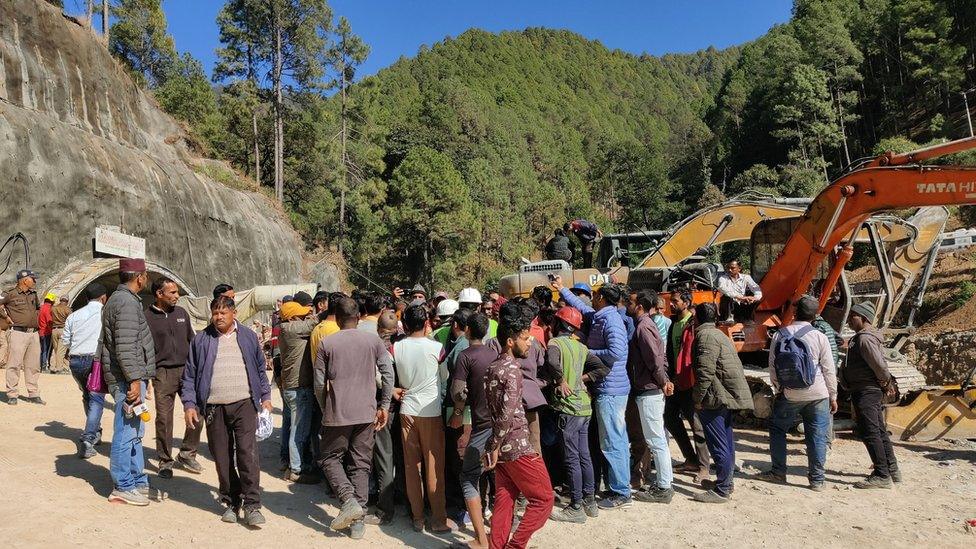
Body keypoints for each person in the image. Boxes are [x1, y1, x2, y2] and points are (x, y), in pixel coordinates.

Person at [181, 295, 272, 525]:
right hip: (214, 407)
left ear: (234, 314)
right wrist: (190, 405)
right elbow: (189, 375)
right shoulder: (201, 340)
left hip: (244, 404)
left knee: (247, 454)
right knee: (221, 457)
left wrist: (266, 397)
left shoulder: (249, 337)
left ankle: (252, 505)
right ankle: (231, 501)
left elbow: (261, 370)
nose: (218, 317)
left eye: (223, 312)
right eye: (215, 313)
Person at [313, 297, 394, 539]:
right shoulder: (373, 340)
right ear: (358, 317)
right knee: (360, 463)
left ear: (337, 319)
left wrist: (324, 405)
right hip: (366, 411)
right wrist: (385, 405)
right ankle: (357, 521)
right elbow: (387, 372)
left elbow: (319, 383)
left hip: (338, 411)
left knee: (328, 457)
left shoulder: (327, 343)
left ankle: (348, 500)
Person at [553, 276, 631, 509]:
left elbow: (616, 351)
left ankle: (621, 492)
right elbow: (582, 308)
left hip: (611, 389)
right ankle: (618, 486)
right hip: (609, 388)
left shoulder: (612, 322)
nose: (592, 300)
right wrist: (562, 289)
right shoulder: (601, 316)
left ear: (603, 298)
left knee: (612, 440)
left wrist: (585, 351)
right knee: (613, 438)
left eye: (596, 296)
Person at [484, 304, 554, 549]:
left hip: (503, 450)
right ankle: (516, 546)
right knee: (544, 500)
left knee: (504, 502)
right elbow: (507, 412)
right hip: (516, 446)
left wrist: (494, 444)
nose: (530, 342)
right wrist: (495, 444)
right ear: (511, 341)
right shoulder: (513, 370)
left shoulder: (493, 367)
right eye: (525, 338)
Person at [759, 295, 837, 491]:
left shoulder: (780, 334)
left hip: (790, 393)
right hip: (818, 393)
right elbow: (828, 368)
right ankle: (817, 480)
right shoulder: (819, 336)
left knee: (778, 430)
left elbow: (773, 366)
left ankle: (778, 472)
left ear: (794, 312)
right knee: (817, 436)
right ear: (816, 315)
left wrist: (779, 389)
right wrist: (833, 395)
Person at [393, 305, 456, 533]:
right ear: (427, 322)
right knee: (434, 467)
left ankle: (417, 518)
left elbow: (380, 373)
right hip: (430, 411)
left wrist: (391, 389)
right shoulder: (437, 348)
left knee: (412, 467)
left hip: (406, 409)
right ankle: (438, 519)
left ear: (406, 324)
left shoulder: (396, 347)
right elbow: (445, 376)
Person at [542, 305, 608, 522]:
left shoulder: (555, 343)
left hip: (568, 409)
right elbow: (602, 368)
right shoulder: (580, 347)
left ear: (559, 323)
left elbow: (551, 361)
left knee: (571, 458)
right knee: (584, 455)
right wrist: (583, 379)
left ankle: (576, 507)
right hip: (584, 408)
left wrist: (560, 380)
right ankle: (590, 501)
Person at [101, 258, 156, 505]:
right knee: (126, 432)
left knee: (135, 431)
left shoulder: (121, 299)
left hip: (130, 377)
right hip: (127, 380)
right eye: (146, 276)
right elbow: (125, 348)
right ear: (140, 277)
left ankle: (136, 479)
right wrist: (135, 379)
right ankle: (122, 485)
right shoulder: (125, 302)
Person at [690, 303, 753, 503]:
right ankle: (725, 482)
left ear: (697, 319)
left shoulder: (705, 336)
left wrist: (698, 399)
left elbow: (705, 371)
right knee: (726, 441)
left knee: (718, 444)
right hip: (724, 396)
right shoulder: (718, 334)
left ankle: (722, 489)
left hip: (714, 398)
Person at [449, 313, 499, 549]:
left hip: (480, 427)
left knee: (468, 477)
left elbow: (458, 391)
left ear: (467, 330)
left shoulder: (465, 356)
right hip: (500, 425)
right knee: (498, 474)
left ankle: (480, 537)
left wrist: (458, 413)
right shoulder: (495, 354)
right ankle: (500, 530)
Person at [145, 277, 202, 479]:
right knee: (164, 419)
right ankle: (165, 460)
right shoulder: (147, 318)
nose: (177, 296)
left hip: (187, 372)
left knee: (197, 413)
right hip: (163, 374)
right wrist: (147, 378)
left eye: (177, 292)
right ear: (159, 294)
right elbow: (145, 350)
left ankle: (187, 453)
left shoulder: (182, 314)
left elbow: (193, 342)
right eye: (172, 293)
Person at [842, 301, 901, 489]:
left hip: (866, 390)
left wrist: (885, 381)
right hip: (868, 389)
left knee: (870, 432)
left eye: (853, 316)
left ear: (864, 318)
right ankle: (892, 470)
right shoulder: (862, 338)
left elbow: (879, 366)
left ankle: (882, 475)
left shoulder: (865, 339)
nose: (850, 320)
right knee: (879, 431)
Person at [626, 290, 675, 504]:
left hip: (649, 390)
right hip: (650, 387)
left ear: (639, 306)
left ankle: (664, 487)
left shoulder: (644, 327)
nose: (627, 305)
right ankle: (663, 484)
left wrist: (663, 381)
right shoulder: (647, 325)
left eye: (631, 302)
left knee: (656, 441)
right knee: (656, 439)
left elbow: (655, 358)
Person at [665, 290, 711, 483]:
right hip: (676, 381)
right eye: (671, 301)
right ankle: (690, 458)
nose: (671, 304)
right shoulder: (673, 323)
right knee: (670, 418)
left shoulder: (694, 325)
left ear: (686, 302)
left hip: (690, 381)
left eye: (675, 301)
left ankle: (704, 466)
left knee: (696, 425)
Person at [62, 283, 108, 458]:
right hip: (95, 361)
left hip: (76, 361)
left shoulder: (74, 315)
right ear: (103, 298)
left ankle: (95, 429)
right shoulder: (105, 313)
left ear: (87, 298)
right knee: (96, 398)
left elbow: (66, 341)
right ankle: (89, 438)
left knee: (87, 396)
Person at [277, 300, 320, 483]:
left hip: (292, 387)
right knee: (299, 431)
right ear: (293, 318)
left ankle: (290, 464)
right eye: (301, 314)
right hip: (299, 388)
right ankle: (297, 470)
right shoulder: (291, 329)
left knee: (292, 426)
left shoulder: (287, 329)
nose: (306, 316)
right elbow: (315, 322)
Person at [3, 270, 43, 405]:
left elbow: (38, 309)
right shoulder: (10, 294)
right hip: (17, 333)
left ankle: (33, 393)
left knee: (33, 365)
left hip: (33, 334)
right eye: (33, 279)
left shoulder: (34, 294)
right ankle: (12, 394)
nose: (35, 281)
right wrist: (5, 317)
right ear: (24, 280)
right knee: (14, 364)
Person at [49, 296, 72, 374]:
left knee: (55, 349)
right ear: (67, 301)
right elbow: (70, 321)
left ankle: (52, 366)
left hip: (54, 330)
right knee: (61, 351)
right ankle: (59, 368)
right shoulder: (68, 310)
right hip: (63, 330)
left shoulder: (53, 308)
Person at [38, 292, 55, 372]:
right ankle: (44, 366)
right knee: (46, 350)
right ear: (52, 301)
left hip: (40, 331)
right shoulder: (48, 309)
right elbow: (49, 321)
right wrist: (52, 330)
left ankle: (41, 365)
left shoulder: (41, 307)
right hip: (46, 332)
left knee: (42, 350)